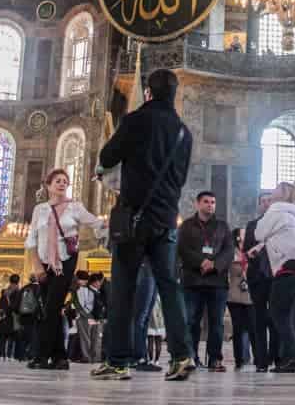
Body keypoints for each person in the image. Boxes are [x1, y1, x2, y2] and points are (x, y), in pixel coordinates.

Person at [94, 68, 195, 382]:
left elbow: (108, 155)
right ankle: (181, 356)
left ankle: (118, 361)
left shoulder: (135, 120)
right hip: (166, 220)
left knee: (123, 290)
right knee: (170, 288)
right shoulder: (183, 132)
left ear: (148, 93)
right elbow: (179, 178)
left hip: (133, 218)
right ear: (174, 94)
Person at [24, 168, 105, 370]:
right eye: (58, 180)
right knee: (50, 310)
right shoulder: (40, 210)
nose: (62, 183)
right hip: (43, 263)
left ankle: (41, 356)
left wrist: (115, 223)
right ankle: (60, 358)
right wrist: (36, 266)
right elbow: (31, 239)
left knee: (51, 308)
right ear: (49, 185)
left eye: (65, 181)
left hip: (65, 262)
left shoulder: (74, 207)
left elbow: (95, 222)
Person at [254, 181, 295, 373]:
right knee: (284, 315)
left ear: (283, 194)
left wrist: (267, 212)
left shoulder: (276, 211)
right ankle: (290, 357)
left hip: (287, 269)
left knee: (279, 314)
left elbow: (259, 232)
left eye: (276, 189)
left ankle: (291, 358)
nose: (272, 192)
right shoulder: (292, 215)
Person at [179, 190, 234, 371]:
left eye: (212, 202)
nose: (210, 205)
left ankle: (215, 359)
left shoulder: (222, 226)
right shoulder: (186, 226)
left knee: (216, 323)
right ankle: (190, 357)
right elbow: (182, 249)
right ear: (197, 204)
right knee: (191, 321)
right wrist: (200, 261)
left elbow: (228, 251)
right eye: (206, 202)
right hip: (192, 281)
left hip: (217, 282)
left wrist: (214, 264)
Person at [243, 193, 277, 371]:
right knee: (260, 319)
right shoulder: (252, 225)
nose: (266, 204)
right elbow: (247, 249)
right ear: (259, 205)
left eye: (269, 200)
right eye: (263, 201)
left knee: (277, 318)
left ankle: (276, 357)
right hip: (257, 276)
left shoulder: (280, 224)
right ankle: (261, 360)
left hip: (276, 276)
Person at [227, 227, 254, 371]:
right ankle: (239, 360)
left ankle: (253, 358)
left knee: (251, 327)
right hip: (235, 294)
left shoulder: (251, 252)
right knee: (238, 328)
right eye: (244, 233)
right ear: (238, 237)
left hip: (249, 295)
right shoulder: (231, 252)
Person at [130, 261, 160, 371]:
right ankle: (138, 357)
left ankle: (143, 357)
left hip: (155, 269)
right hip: (145, 266)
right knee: (140, 317)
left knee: (146, 317)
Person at [73, 272, 105, 364]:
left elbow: (80, 305)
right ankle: (92, 357)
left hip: (89, 317)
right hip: (90, 317)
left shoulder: (83, 290)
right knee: (92, 338)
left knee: (91, 338)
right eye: (100, 281)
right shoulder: (86, 290)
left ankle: (90, 357)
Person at [0, 275, 21, 361]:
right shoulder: (18, 292)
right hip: (13, 318)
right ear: (18, 281)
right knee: (12, 339)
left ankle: (2, 355)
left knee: (3, 338)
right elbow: (17, 306)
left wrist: (2, 313)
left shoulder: (5, 292)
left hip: (4, 318)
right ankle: (10, 356)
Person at [15, 274, 41, 361]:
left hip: (23, 315)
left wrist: (18, 313)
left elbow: (17, 303)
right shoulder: (39, 288)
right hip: (34, 316)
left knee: (23, 336)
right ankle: (32, 354)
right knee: (34, 335)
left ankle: (21, 355)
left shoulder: (23, 288)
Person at [147, 296, 165, 364]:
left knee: (150, 342)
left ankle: (151, 360)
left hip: (150, 322)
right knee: (158, 342)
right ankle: (157, 361)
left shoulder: (150, 296)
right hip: (160, 322)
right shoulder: (161, 296)